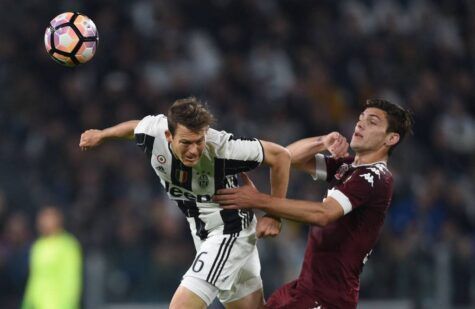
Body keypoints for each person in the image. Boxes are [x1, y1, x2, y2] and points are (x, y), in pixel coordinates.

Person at [79, 97, 291, 309]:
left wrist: (274, 214)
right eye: (186, 143)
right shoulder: (154, 133)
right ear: (168, 136)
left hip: (230, 231)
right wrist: (102, 135)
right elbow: (134, 127)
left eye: (199, 141)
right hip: (203, 233)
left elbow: (280, 156)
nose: (193, 150)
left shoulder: (223, 148)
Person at [214, 98, 414, 308]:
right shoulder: (347, 167)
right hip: (305, 288)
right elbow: (287, 157)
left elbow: (323, 214)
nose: (360, 124)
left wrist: (259, 200)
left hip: (329, 298)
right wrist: (322, 141)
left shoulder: (375, 177)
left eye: (372, 122)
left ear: (391, 138)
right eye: (360, 118)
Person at [22, 206, 82, 309]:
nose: (43, 222)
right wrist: (27, 302)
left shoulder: (67, 245)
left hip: (59, 303)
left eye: (47, 218)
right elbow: (34, 277)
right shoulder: (38, 245)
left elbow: (71, 278)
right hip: (38, 303)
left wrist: (68, 304)